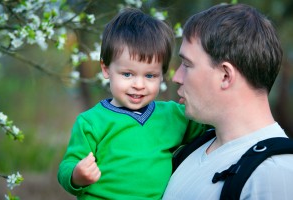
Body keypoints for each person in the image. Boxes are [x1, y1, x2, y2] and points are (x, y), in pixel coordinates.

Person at [57, 8, 207, 199]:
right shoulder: (92, 122)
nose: (138, 85)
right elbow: (68, 164)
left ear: (162, 74)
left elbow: (212, 123)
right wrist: (76, 175)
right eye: (127, 74)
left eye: (150, 75)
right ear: (106, 69)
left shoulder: (173, 115)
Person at [163, 3, 293, 199]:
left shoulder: (274, 174)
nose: (177, 77)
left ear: (225, 75)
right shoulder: (194, 148)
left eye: (187, 65)